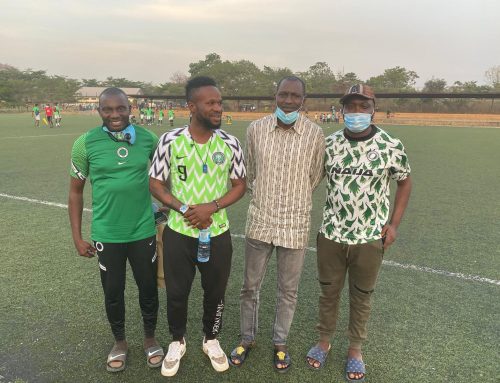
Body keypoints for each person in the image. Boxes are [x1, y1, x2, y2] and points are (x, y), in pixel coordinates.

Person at [305, 84, 412, 382]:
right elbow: (311, 179)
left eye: (362, 106)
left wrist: (394, 224)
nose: (355, 113)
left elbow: (404, 181)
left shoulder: (390, 145)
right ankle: (324, 341)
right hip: (331, 235)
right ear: (341, 110)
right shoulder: (330, 143)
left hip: (369, 238)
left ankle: (355, 349)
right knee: (328, 292)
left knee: (362, 295)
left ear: (373, 108)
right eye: (350, 107)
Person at [149, 76, 246, 377]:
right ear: (191, 106)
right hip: (179, 233)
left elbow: (240, 185)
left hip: (217, 233)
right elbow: (155, 182)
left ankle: (211, 339)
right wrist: (183, 208)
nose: (218, 108)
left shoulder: (230, 143)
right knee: (177, 292)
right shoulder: (170, 140)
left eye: (219, 102)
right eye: (211, 103)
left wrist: (211, 208)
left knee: (215, 292)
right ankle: (177, 341)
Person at [229, 76, 325, 372]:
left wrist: (292, 199)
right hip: (261, 221)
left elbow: (314, 176)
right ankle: (248, 338)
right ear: (275, 96)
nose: (288, 101)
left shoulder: (315, 134)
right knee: (249, 286)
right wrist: (268, 198)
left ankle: (280, 343)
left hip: (295, 224)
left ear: (303, 100)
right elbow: (251, 173)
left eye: (295, 96)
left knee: (288, 290)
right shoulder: (255, 129)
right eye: (283, 94)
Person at [68, 87, 163, 373]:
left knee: (148, 288)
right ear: (99, 111)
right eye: (107, 110)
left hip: (143, 230)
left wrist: (167, 206)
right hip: (107, 234)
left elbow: (163, 177)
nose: (114, 115)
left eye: (120, 108)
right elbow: (75, 193)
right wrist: (77, 236)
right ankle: (119, 342)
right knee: (113, 291)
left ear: (129, 108)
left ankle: (150, 338)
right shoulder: (84, 144)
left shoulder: (148, 139)